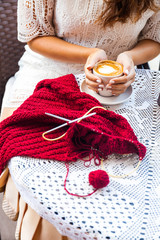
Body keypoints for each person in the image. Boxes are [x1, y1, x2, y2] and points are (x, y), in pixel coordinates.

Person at [1, 0, 159, 111]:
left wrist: (130, 57)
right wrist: (89, 54)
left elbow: (154, 38)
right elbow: (36, 37)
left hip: (121, 80)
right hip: (51, 68)